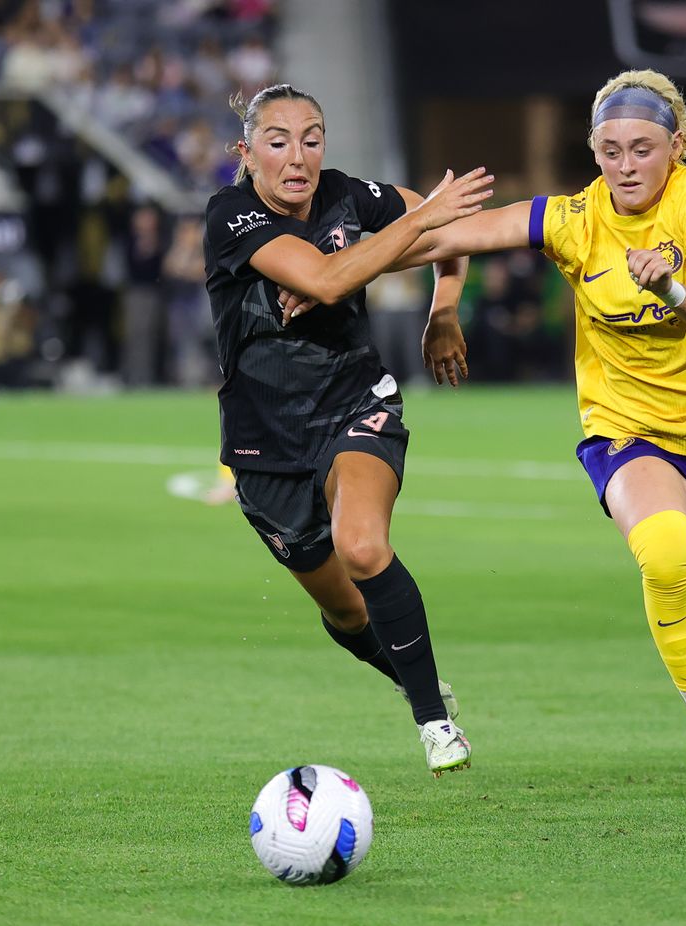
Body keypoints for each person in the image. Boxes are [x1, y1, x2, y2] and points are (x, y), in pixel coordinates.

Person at [292, 70, 686, 800]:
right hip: (632, 427)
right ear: (593, 149)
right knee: (662, 555)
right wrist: (326, 268)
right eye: (611, 149)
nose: (626, 166)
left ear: (677, 148)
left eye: (643, 150)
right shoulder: (571, 218)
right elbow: (455, 233)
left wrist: (671, 289)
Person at [203, 83, 492, 777]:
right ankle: (410, 679)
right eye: (278, 141)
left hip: (353, 403)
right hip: (263, 445)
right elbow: (329, 280)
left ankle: (435, 723)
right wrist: (408, 234)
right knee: (345, 611)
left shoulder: (348, 196)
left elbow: (453, 230)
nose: (298, 157)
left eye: (312, 138)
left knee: (361, 547)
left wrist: (444, 307)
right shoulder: (231, 217)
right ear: (247, 154)